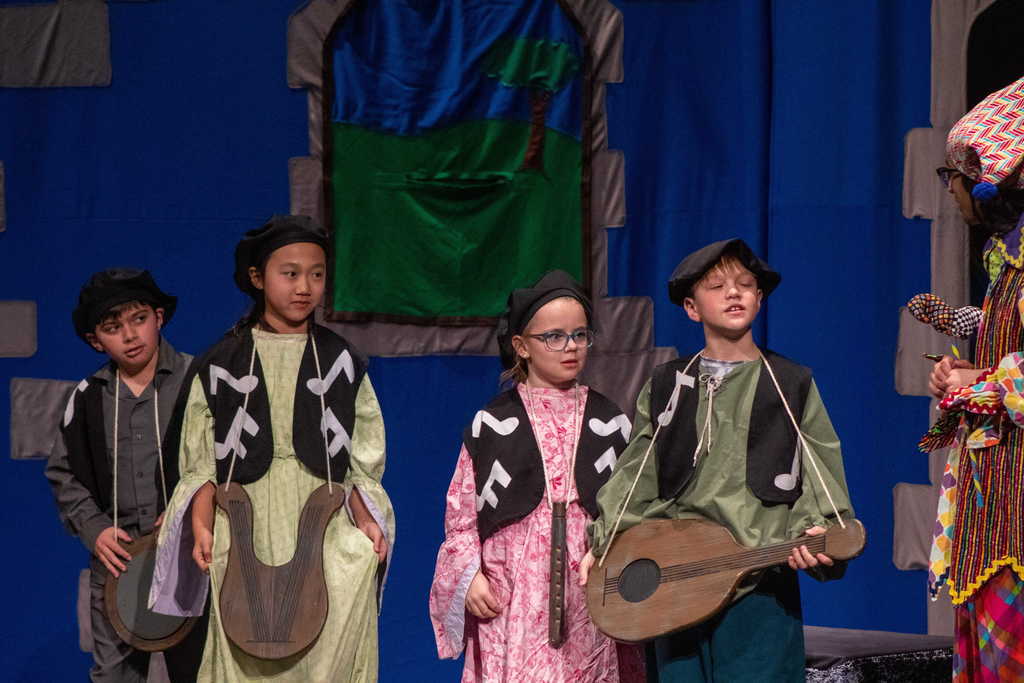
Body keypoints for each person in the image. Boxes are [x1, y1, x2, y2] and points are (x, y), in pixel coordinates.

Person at [580, 239, 853, 682]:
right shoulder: (670, 383)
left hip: (759, 583)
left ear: (759, 299)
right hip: (675, 579)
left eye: (746, 285)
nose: (734, 293)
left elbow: (819, 464)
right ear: (691, 307)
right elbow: (637, 472)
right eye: (718, 286)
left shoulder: (788, 383)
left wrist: (821, 526)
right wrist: (606, 539)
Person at [148, 215, 394, 682]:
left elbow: (361, 462)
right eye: (290, 273)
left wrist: (364, 519)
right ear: (259, 278)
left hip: (319, 513)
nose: (304, 287)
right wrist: (201, 525)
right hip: (247, 517)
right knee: (247, 641)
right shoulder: (221, 361)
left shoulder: (341, 360)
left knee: (344, 589)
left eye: (316, 274)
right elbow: (201, 463)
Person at [429, 270, 643, 682]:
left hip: (590, 581)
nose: (571, 347)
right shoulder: (493, 423)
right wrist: (468, 575)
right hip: (512, 590)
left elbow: (633, 505)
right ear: (521, 346)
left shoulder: (610, 420)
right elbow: (461, 515)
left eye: (580, 335)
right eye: (554, 337)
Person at [45, 268, 204, 682]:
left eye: (139, 320)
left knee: (201, 672)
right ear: (96, 341)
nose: (130, 336)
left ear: (159, 317)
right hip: (117, 562)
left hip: (190, 559)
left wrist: (192, 514)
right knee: (114, 676)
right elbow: (63, 472)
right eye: (114, 328)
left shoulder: (197, 381)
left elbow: (225, 463)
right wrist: (95, 528)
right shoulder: (88, 397)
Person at [924, 76, 1024, 682]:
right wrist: (961, 370)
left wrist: (975, 384)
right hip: (992, 495)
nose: (952, 192)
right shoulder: (1006, 261)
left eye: (952, 178)